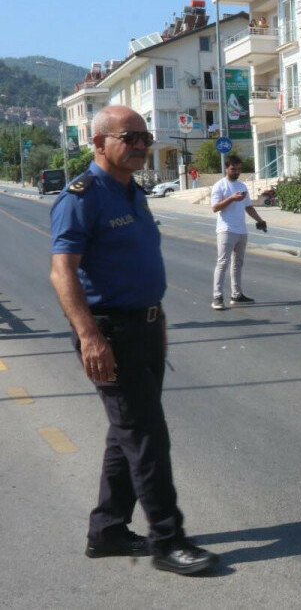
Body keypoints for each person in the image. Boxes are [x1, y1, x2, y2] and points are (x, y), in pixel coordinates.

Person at [49, 105, 217, 575]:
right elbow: (63, 272)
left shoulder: (132, 192)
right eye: (131, 137)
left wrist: (156, 320)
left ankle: (108, 531)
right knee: (146, 436)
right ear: (99, 142)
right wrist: (89, 336)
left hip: (144, 327)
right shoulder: (81, 197)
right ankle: (168, 540)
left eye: (145, 137)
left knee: (126, 435)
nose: (142, 145)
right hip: (110, 333)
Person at [209, 157, 266, 310]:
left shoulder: (242, 185)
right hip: (226, 230)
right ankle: (217, 297)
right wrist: (231, 199)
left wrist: (260, 220)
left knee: (238, 264)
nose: (237, 172)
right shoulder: (219, 186)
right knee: (222, 263)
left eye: (239, 169)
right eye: (233, 169)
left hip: (241, 230)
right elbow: (215, 208)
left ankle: (236, 294)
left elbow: (248, 206)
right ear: (226, 168)